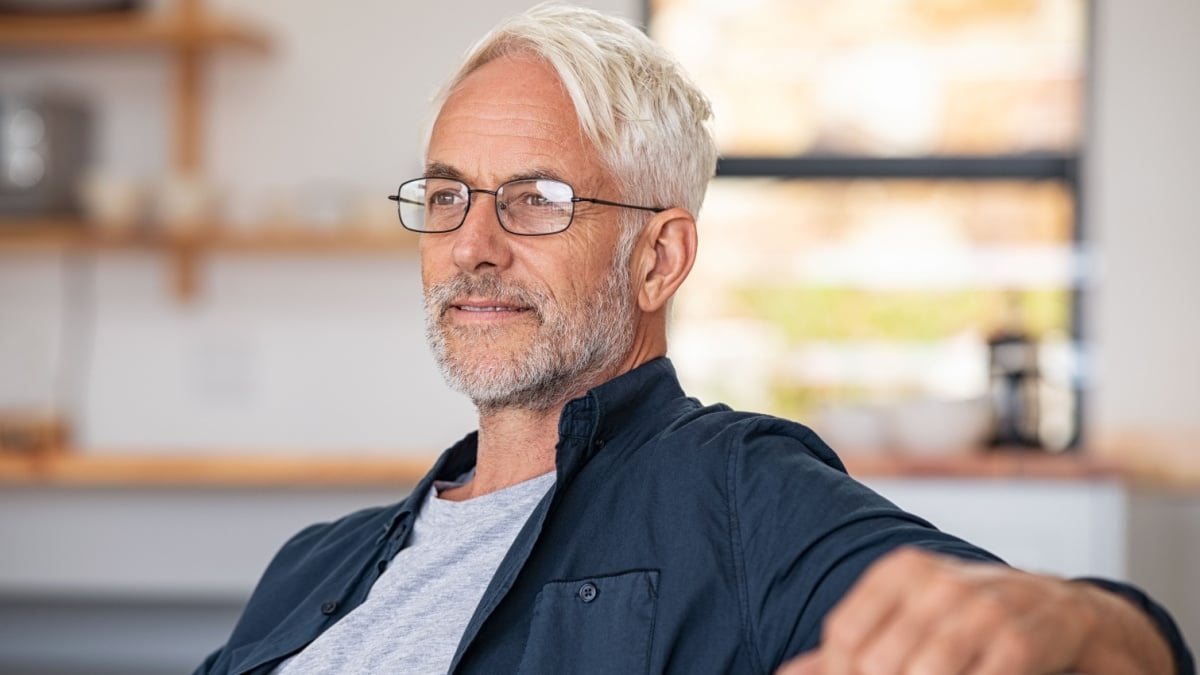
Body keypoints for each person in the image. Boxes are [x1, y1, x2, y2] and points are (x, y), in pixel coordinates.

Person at [196, 5, 1193, 674]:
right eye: (449, 196)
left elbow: (1089, 648)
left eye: (535, 200)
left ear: (659, 258)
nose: (472, 246)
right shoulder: (313, 565)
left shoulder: (736, 494)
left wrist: (1078, 621)